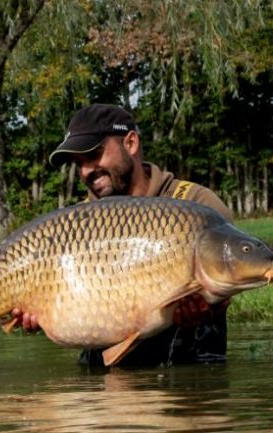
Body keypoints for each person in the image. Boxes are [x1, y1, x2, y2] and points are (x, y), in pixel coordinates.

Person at [13, 103, 233, 367]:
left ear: (130, 143)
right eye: (78, 163)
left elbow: (229, 280)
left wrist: (212, 308)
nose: (85, 171)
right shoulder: (74, 225)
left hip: (192, 371)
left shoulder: (197, 205)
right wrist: (35, 311)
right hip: (106, 380)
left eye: (94, 155)